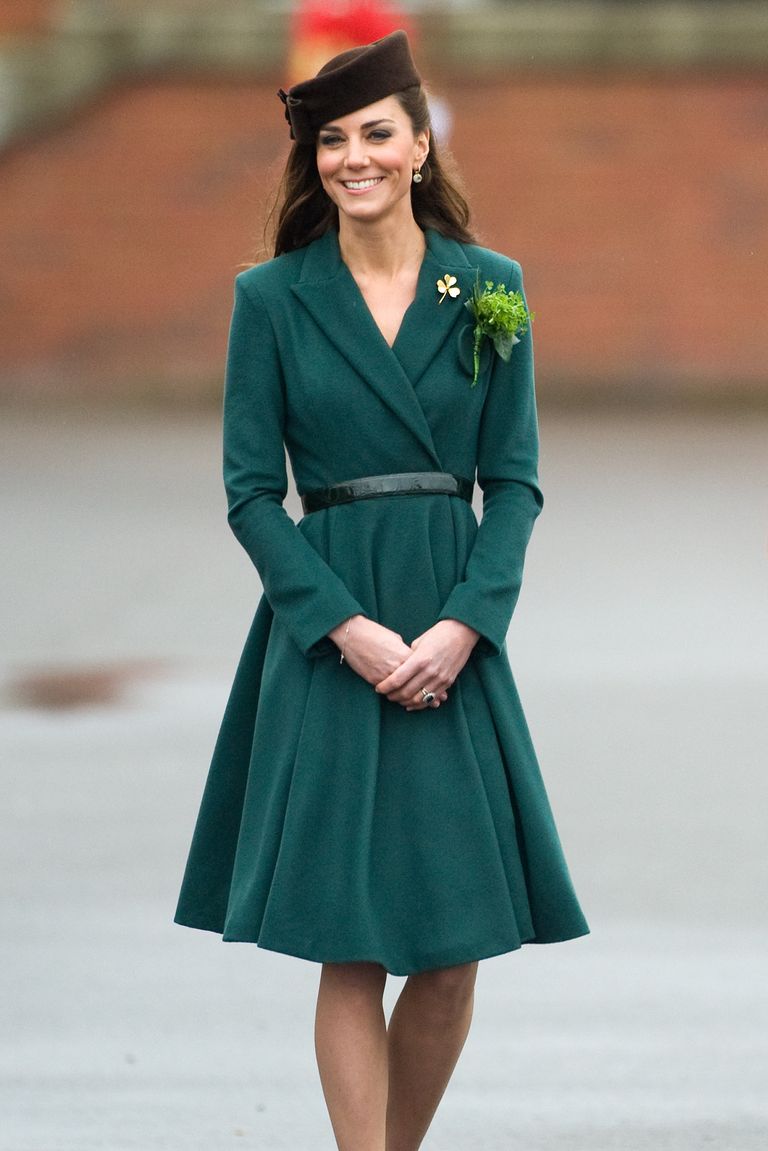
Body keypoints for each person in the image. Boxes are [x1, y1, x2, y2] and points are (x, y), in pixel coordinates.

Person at [174, 30, 589, 1151]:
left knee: (454, 947)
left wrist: (467, 623)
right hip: (329, 626)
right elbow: (253, 493)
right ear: (314, 159)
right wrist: (344, 630)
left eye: (373, 135)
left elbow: (514, 482)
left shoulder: (488, 286)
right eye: (330, 140)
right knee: (347, 937)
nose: (352, 157)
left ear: (417, 146)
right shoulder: (272, 298)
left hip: (454, 625)